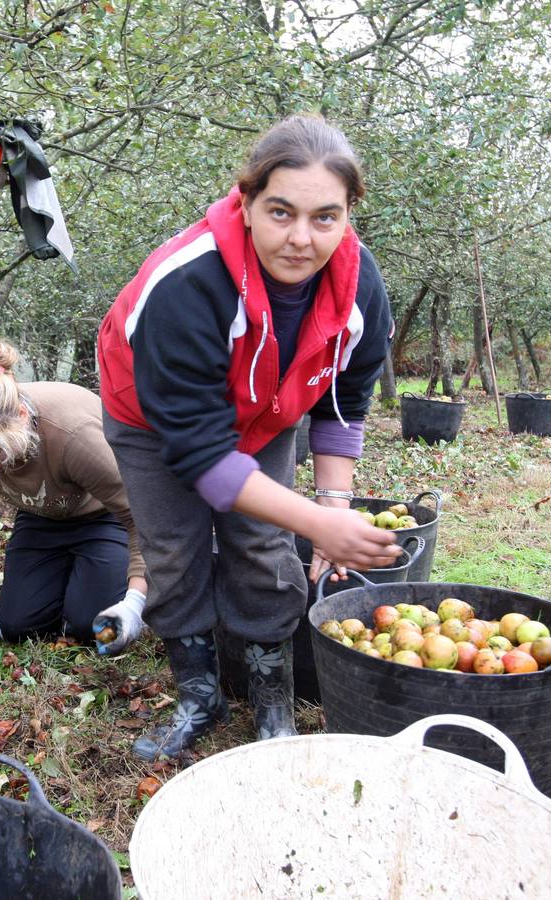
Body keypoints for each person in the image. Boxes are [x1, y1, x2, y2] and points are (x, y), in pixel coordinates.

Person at [96, 114, 401, 760]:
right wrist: (317, 523)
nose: (301, 238)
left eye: (325, 217)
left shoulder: (359, 287)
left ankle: (272, 707)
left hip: (264, 408)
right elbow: (203, 458)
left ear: (349, 215)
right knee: (173, 549)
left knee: (263, 546)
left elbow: (344, 402)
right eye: (281, 212)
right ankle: (199, 698)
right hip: (154, 419)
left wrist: (334, 506)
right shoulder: (188, 282)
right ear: (246, 202)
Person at [0, 338, 148, 652]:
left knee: (88, 626)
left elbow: (141, 518)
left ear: (22, 416)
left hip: (103, 517)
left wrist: (134, 602)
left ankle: (109, 584)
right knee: (17, 626)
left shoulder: (74, 437)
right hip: (41, 516)